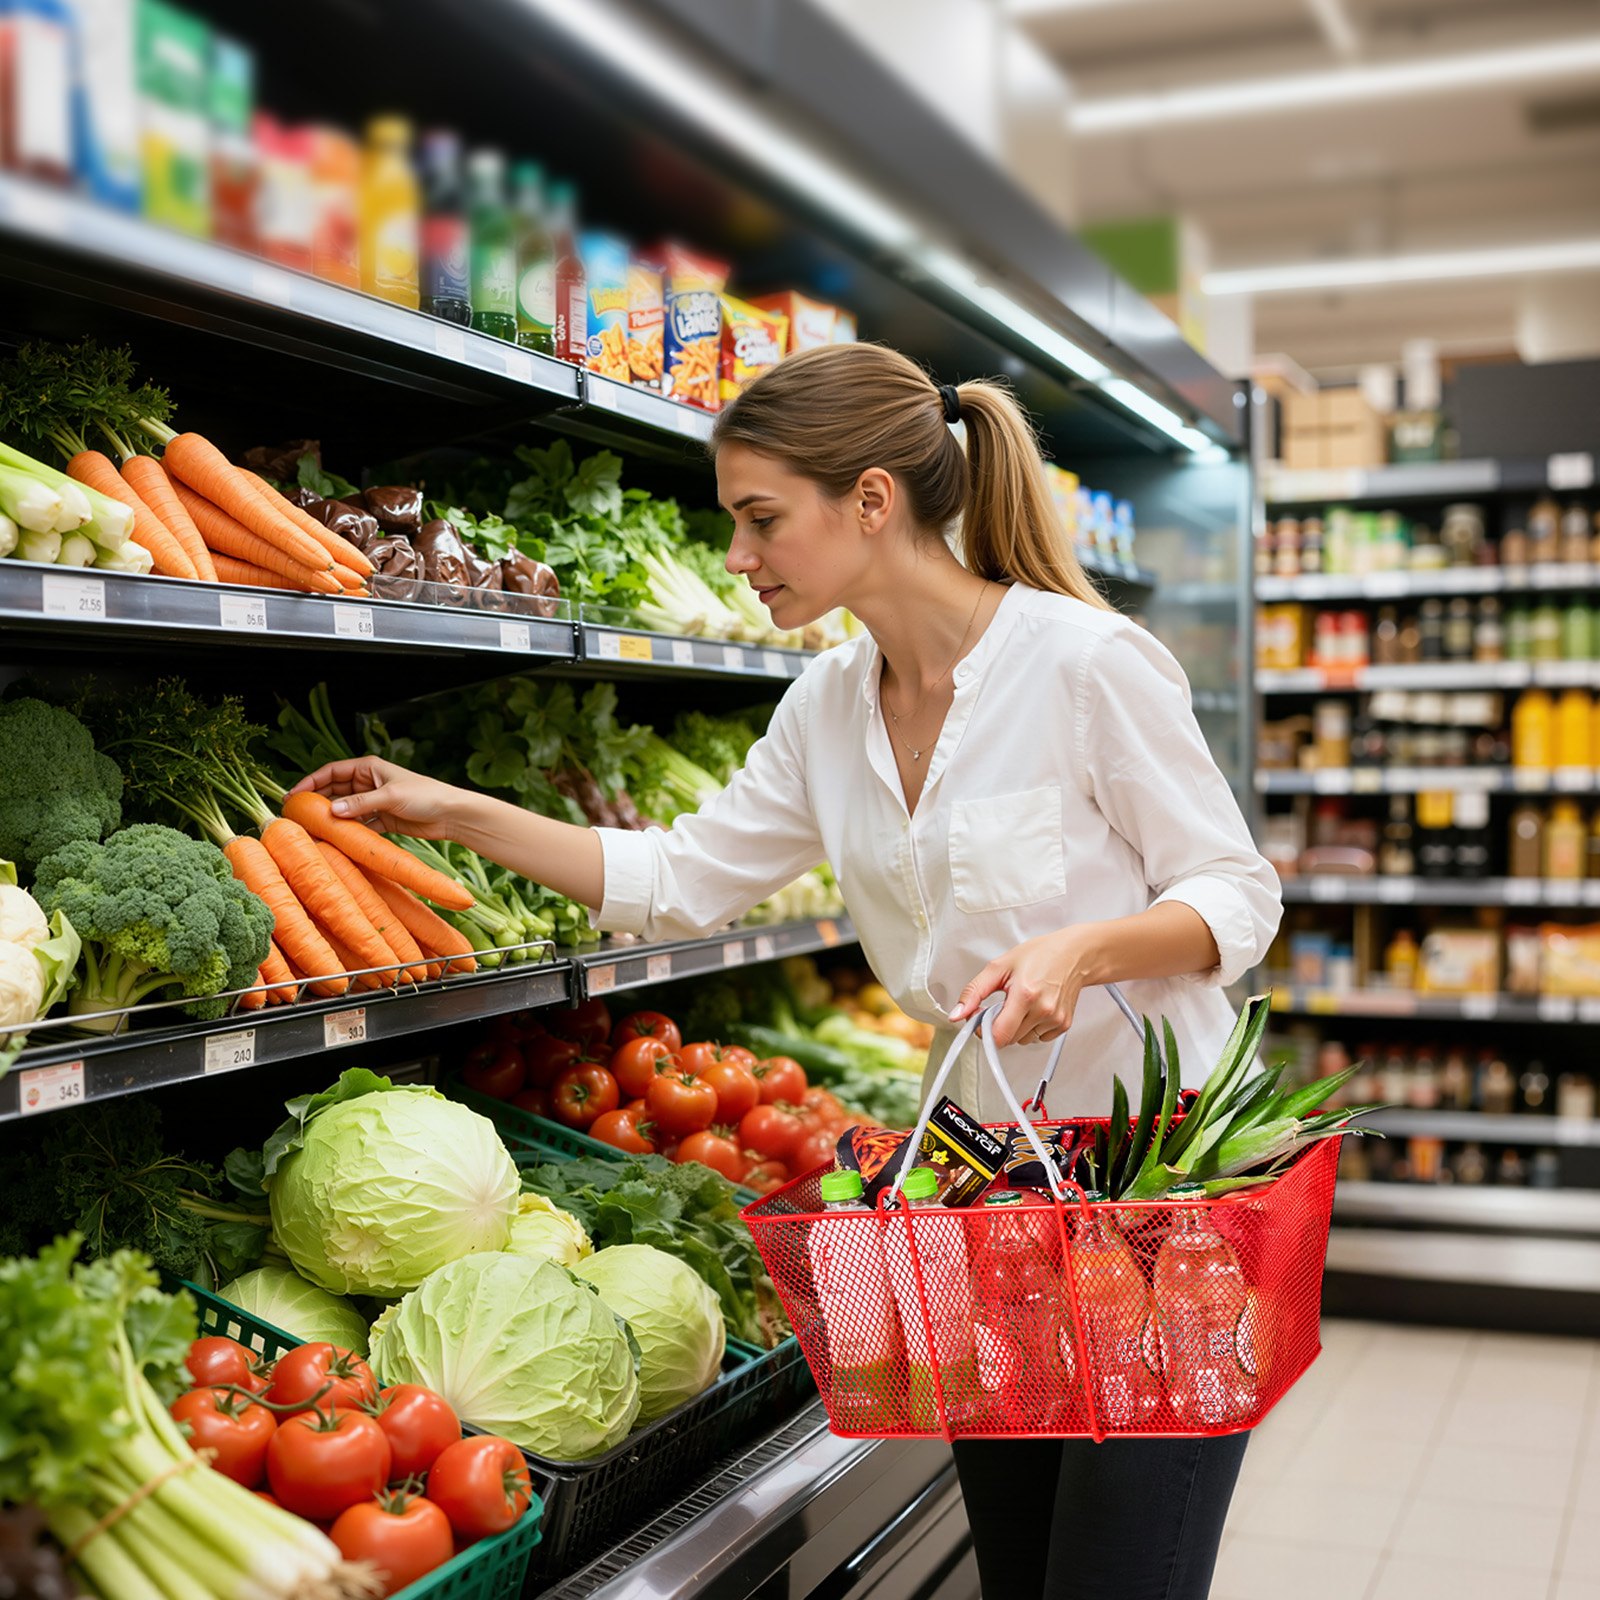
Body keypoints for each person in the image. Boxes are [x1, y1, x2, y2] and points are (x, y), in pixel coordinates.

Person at [291, 342, 1281, 1600]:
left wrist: (1086, 948)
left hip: (1158, 1192)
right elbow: (681, 876)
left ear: (870, 500)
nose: (740, 557)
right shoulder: (825, 708)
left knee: (1118, 1575)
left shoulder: (1083, 663)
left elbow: (1237, 896)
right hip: (988, 1191)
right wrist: (450, 809)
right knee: (1019, 1571)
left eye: (761, 519)